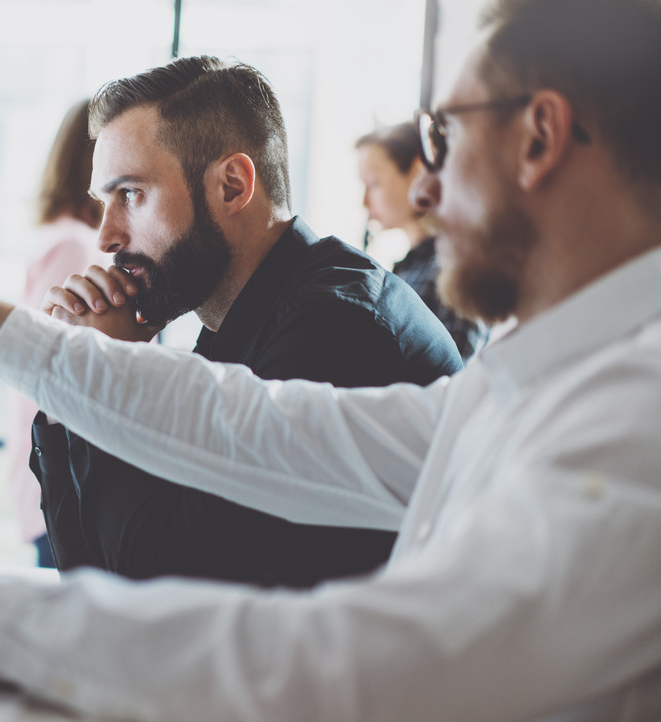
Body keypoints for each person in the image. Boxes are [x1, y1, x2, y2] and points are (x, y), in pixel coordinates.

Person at [0, 0, 661, 719]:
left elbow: (350, 664)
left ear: (540, 136)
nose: (424, 191)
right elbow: (250, 426)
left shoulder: (630, 425)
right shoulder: (525, 385)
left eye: (445, 137)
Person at [29, 58, 461, 587]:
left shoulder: (336, 331)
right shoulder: (234, 325)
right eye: (105, 201)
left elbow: (162, 593)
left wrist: (113, 371)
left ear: (232, 186)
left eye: (132, 195)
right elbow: (88, 580)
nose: (107, 236)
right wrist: (67, 394)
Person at [4, 98, 105, 567]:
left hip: (51, 470)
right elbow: (52, 359)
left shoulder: (62, 237)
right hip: (64, 474)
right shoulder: (75, 245)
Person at [356, 121, 489, 360]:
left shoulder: (452, 269)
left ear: (417, 171)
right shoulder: (409, 267)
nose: (365, 202)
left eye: (373, 183)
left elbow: (453, 373)